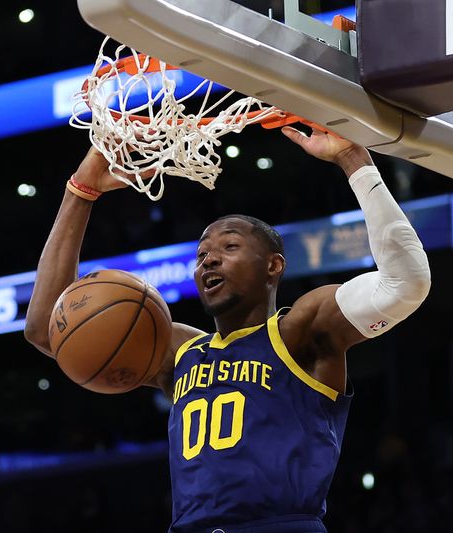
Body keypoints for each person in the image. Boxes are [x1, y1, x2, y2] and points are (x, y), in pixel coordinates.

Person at [24, 127, 431, 533]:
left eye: (229, 247)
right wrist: (81, 192)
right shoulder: (180, 353)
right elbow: (47, 330)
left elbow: (405, 283)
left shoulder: (300, 332)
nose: (210, 260)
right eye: (202, 254)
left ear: (274, 265)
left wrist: (353, 161)